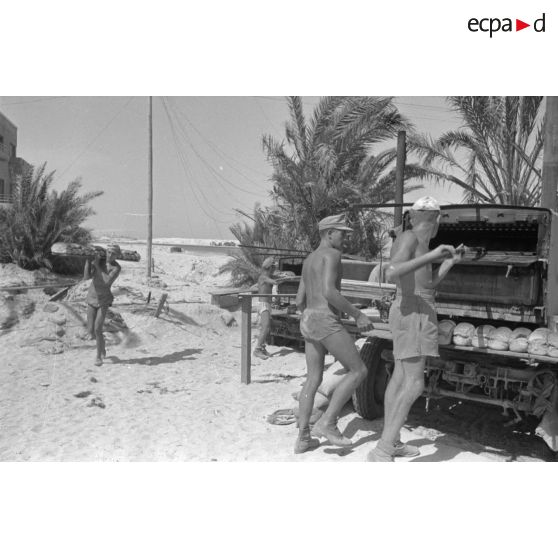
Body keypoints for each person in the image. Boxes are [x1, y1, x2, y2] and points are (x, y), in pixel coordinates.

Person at [366, 196, 463, 461]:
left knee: (399, 377)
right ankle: (384, 449)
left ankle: (393, 442)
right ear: (436, 219)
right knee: (414, 382)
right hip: (414, 311)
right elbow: (392, 272)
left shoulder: (419, 242)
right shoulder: (409, 238)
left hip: (416, 307)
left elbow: (428, 284)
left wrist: (448, 262)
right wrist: (433, 254)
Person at [294, 214, 374, 454]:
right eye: (343, 233)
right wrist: (357, 315)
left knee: (313, 378)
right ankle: (328, 422)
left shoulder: (309, 259)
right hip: (324, 320)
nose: (346, 237)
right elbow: (329, 292)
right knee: (359, 370)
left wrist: (312, 315)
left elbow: (299, 300)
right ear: (329, 233)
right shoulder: (333, 255)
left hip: (308, 318)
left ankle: (303, 438)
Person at [84, 242, 122, 366]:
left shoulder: (116, 268)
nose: (110, 255)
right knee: (90, 331)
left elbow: (107, 281)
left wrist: (97, 265)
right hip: (92, 297)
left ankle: (98, 356)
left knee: (97, 328)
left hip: (104, 300)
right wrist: (89, 262)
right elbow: (86, 277)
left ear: (117, 255)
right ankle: (102, 346)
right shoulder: (99, 261)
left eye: (113, 253)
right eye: (109, 252)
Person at [253, 256, 282, 360]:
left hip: (267, 304)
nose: (274, 270)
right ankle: (257, 350)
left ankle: (262, 348)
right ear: (270, 268)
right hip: (263, 304)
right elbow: (275, 282)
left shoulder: (267, 276)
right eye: (273, 268)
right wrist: (281, 279)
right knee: (265, 327)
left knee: (267, 328)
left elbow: (275, 278)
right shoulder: (263, 277)